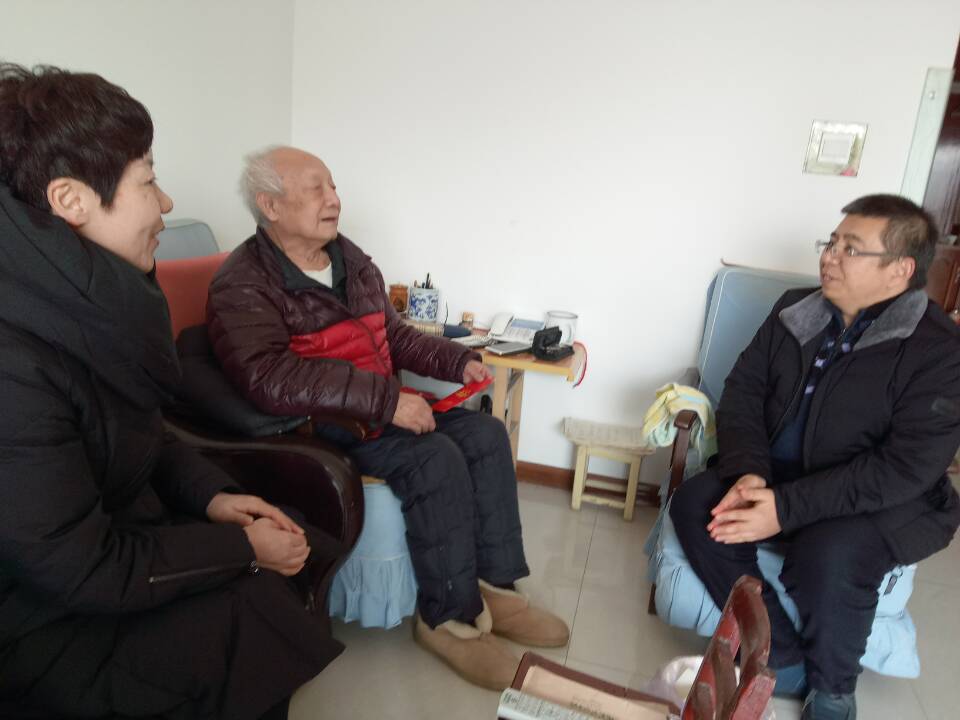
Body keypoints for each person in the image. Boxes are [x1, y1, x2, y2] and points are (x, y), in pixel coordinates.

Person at [0, 64, 342, 720]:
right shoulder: (16, 361)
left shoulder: (87, 303)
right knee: (247, 617)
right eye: (148, 179)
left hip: (107, 554)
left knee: (289, 550)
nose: (166, 202)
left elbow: (143, 432)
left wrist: (214, 498)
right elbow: (76, 566)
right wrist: (241, 549)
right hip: (37, 620)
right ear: (71, 200)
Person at [205, 145, 569, 690]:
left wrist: (456, 360)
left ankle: (496, 587)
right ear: (270, 205)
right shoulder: (242, 282)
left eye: (333, 186)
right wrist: (386, 401)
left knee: (486, 434)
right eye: (317, 188)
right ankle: (448, 619)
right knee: (434, 457)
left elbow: (392, 336)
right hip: (320, 425)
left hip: (375, 407)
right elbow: (270, 378)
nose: (334, 199)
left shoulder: (349, 259)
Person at [669, 195, 960, 720]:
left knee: (830, 551)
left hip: (882, 497)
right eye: (832, 242)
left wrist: (784, 509)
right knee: (697, 505)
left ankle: (832, 691)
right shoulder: (794, 310)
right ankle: (782, 654)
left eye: (851, 249)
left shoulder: (938, 349)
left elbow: (906, 467)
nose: (830, 256)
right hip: (779, 475)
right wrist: (748, 473)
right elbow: (743, 393)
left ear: (900, 270)